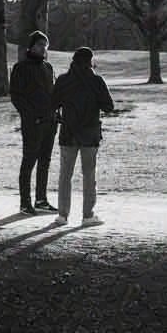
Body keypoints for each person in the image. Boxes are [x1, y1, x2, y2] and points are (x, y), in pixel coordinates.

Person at [51, 47, 114, 227]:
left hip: (68, 133)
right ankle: (87, 215)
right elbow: (109, 106)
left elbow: (53, 103)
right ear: (90, 61)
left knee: (65, 175)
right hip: (90, 133)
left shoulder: (63, 80)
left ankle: (62, 214)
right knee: (88, 175)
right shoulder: (96, 81)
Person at [9, 30, 57, 215]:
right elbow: (17, 97)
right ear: (31, 46)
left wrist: (56, 113)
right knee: (29, 161)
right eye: (39, 45)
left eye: (45, 45)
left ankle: (41, 199)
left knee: (45, 161)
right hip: (32, 123)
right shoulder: (21, 68)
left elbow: (52, 92)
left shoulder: (48, 67)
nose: (42, 48)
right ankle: (24, 202)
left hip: (50, 122)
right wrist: (31, 116)